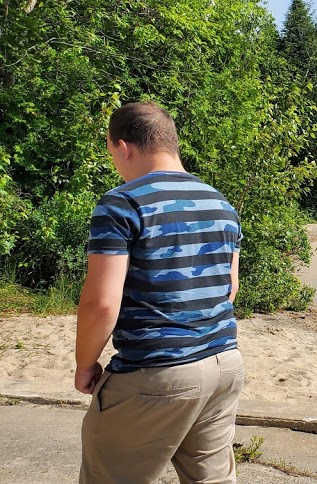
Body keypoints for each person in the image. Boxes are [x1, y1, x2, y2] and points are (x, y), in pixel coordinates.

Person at [75, 102, 245, 483]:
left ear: (123, 146)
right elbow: (229, 289)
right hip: (224, 364)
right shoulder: (221, 204)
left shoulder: (122, 203)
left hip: (157, 372)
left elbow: (102, 302)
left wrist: (85, 364)